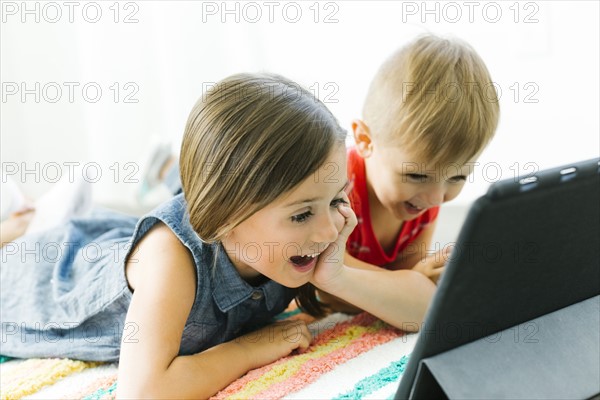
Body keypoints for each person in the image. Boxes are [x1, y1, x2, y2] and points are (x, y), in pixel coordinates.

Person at [1, 73, 428, 398]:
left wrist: (339, 278)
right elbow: (144, 391)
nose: (329, 228)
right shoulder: (172, 260)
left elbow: (425, 311)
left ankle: (38, 215)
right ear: (228, 216)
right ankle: (24, 223)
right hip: (48, 278)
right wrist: (249, 350)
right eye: (301, 215)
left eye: (338, 199)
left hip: (111, 243)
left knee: (91, 231)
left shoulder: (305, 239)